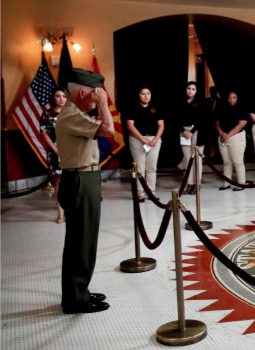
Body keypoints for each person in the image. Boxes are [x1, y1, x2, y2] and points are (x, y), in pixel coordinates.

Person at [57, 68, 114, 314]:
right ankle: (74, 299)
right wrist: (103, 105)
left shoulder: (77, 113)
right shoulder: (70, 115)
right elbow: (109, 131)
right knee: (80, 243)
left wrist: (97, 103)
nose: (98, 98)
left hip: (85, 178)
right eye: (95, 94)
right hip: (79, 180)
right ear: (82, 92)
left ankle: (80, 290)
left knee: (85, 240)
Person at [124, 86, 164, 202]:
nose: (146, 96)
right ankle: (140, 193)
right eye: (143, 94)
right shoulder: (132, 108)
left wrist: (156, 139)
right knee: (140, 168)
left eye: (148, 93)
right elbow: (130, 125)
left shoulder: (155, 108)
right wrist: (142, 138)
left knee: (151, 168)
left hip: (153, 140)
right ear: (138, 95)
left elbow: (161, 125)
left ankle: (151, 192)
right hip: (138, 139)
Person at [39, 86, 68, 223]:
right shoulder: (47, 114)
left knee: (71, 180)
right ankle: (60, 212)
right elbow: (44, 133)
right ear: (53, 98)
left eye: (64, 96)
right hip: (55, 151)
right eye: (58, 96)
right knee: (58, 181)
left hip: (71, 151)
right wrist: (55, 149)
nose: (61, 99)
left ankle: (71, 210)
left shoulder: (71, 112)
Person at [178, 81, 210, 195]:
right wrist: (184, 131)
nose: (190, 91)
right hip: (184, 132)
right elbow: (176, 119)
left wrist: (191, 131)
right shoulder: (181, 101)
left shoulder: (202, 102)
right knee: (187, 160)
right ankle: (189, 184)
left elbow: (202, 119)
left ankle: (197, 184)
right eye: (188, 88)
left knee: (197, 160)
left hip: (197, 132)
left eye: (193, 89)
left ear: (196, 91)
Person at [216, 90, 248, 191]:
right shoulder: (221, 108)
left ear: (237, 98)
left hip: (236, 137)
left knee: (237, 162)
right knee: (226, 162)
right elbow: (217, 123)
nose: (231, 100)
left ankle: (241, 183)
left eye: (234, 97)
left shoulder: (241, 109)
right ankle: (227, 182)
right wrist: (221, 134)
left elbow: (242, 124)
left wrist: (228, 135)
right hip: (223, 137)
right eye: (230, 97)